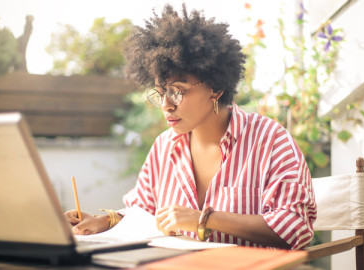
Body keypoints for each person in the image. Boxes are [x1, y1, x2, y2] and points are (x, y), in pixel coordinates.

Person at [65, 3, 316, 250]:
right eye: (161, 93)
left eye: (177, 91)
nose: (166, 105)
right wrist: (104, 221)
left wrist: (203, 219)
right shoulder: (165, 146)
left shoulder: (270, 140)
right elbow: (142, 212)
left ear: (216, 88)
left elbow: (295, 227)